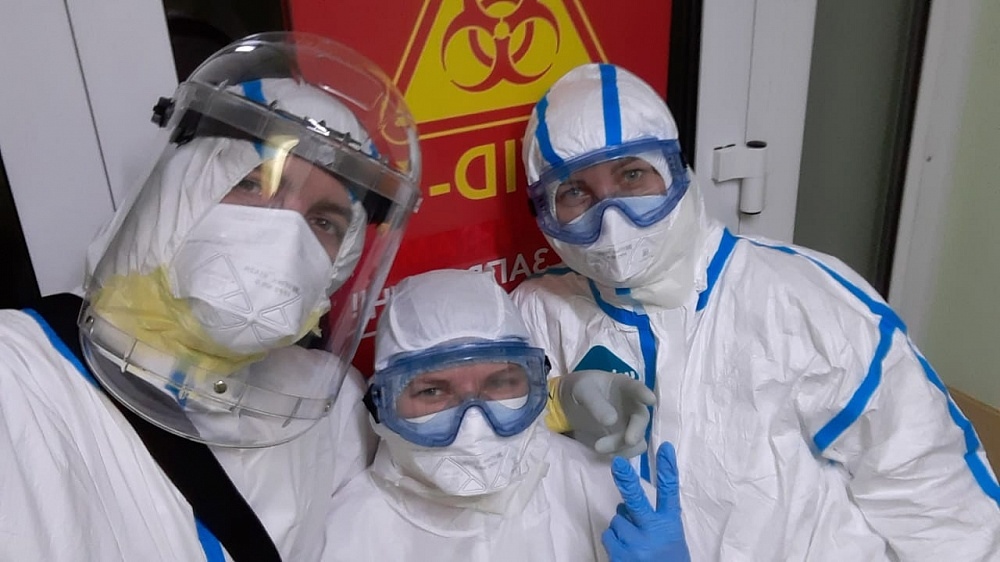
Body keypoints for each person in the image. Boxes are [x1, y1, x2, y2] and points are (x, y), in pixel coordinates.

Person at [512, 62, 1000, 560]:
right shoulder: (539, 313)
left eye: (632, 174)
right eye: (576, 192)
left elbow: (936, 496)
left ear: (676, 172)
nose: (611, 217)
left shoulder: (802, 302)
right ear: (546, 212)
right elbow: (487, 449)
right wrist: (557, 402)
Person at [0, 32, 421, 561]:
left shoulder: (321, 412)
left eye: (324, 221)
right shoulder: (20, 377)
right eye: (251, 184)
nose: (283, 235)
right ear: (178, 190)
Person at [321, 269, 690, 561]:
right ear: (381, 406)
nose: (475, 425)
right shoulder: (339, 539)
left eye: (499, 382)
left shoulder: (600, 491)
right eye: (432, 391)